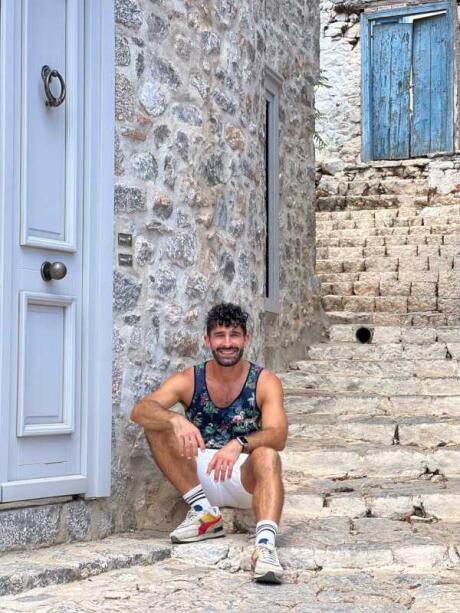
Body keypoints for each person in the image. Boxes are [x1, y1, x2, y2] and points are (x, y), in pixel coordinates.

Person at [131, 303, 287, 584]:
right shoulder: (190, 379)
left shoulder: (264, 381)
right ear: (207, 340)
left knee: (268, 454)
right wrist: (175, 420)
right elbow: (141, 410)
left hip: (244, 477)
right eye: (220, 335)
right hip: (198, 474)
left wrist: (240, 443)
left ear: (246, 339)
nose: (227, 343)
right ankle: (204, 514)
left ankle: (264, 548)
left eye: (234, 335)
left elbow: (279, 435)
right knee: (157, 424)